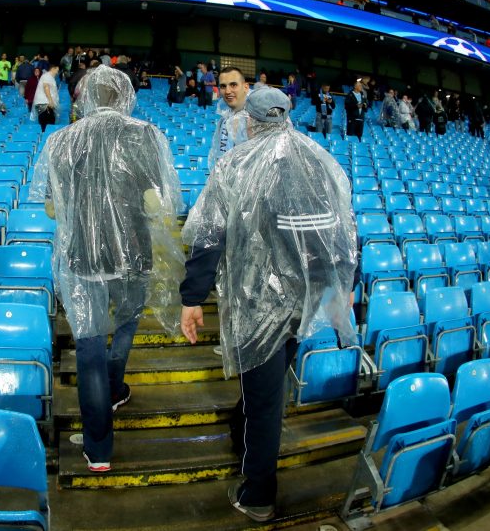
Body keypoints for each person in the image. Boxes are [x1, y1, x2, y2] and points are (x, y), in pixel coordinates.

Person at [179, 87, 357, 522]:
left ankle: (258, 494)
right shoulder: (319, 159)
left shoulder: (235, 163)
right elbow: (343, 231)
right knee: (265, 388)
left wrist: (191, 299)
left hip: (257, 302)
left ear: (252, 120)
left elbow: (208, 235)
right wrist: (343, 286)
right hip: (304, 300)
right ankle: (241, 431)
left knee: (264, 402)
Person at [30, 65, 183, 474]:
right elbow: (156, 205)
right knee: (127, 322)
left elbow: (49, 208)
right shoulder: (145, 135)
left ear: (85, 97)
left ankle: (99, 448)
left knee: (89, 346)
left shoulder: (60, 140)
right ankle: (116, 387)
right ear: (126, 95)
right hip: (133, 255)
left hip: (83, 256)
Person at [209, 67, 250, 168]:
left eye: (233, 85)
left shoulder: (260, 117)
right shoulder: (224, 120)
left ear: (246, 87)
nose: (227, 91)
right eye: (223, 86)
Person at [32, 64, 60, 131]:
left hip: (45, 104)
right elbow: (46, 87)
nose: (57, 72)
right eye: (57, 70)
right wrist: (50, 101)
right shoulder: (47, 76)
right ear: (53, 68)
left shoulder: (49, 77)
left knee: (48, 124)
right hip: (45, 104)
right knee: (48, 124)